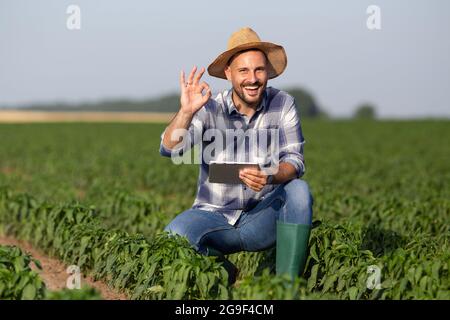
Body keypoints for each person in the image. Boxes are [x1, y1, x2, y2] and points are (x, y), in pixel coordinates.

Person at [159, 27, 313, 281]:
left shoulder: (283, 104)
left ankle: (287, 287)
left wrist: (270, 175)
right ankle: (224, 271)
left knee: (299, 190)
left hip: (262, 217)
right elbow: (170, 149)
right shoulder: (210, 108)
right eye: (243, 70)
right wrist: (186, 112)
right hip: (213, 216)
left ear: (267, 72)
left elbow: (295, 160)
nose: (252, 79)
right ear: (229, 74)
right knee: (175, 236)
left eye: (259, 70)